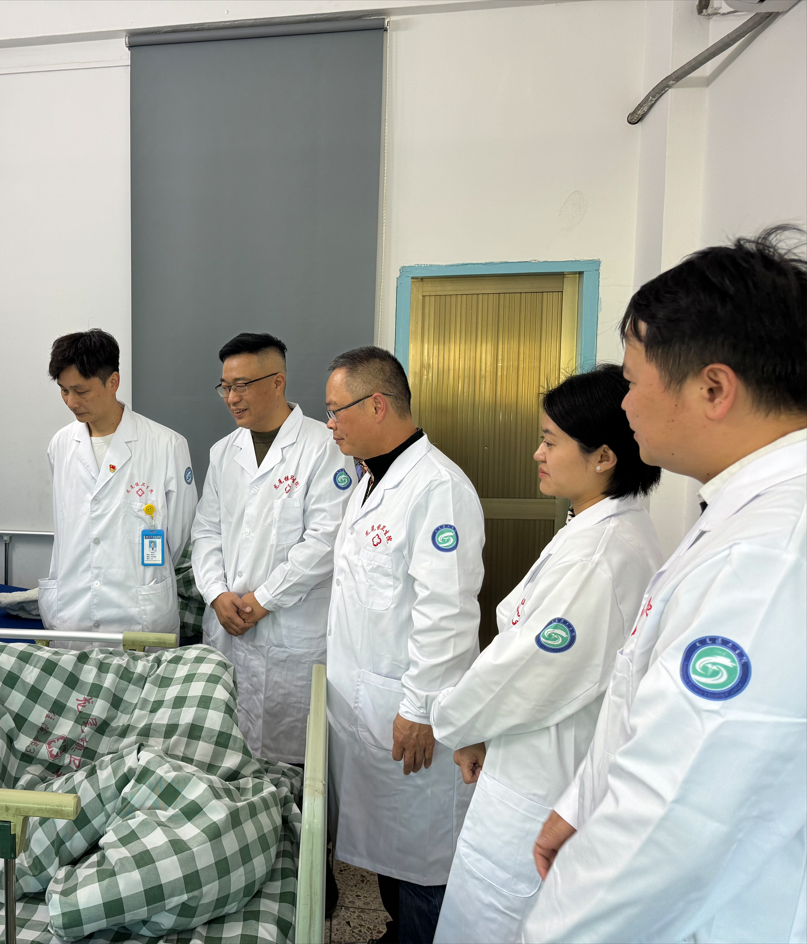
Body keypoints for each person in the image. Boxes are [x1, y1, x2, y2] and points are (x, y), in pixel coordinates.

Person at [525, 228, 807, 942]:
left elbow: (673, 817)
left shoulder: (771, 555)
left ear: (713, 388)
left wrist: (549, 930)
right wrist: (582, 804)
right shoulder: (741, 515)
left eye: (631, 380)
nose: (623, 404)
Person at [428, 365, 663, 943]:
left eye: (550, 441)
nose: (537, 453)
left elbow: (525, 671)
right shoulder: (596, 528)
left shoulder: (599, 555)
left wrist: (455, 722)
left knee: (499, 921)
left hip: (543, 779)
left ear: (603, 457)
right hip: (532, 756)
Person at [323, 346, 485, 944]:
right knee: (388, 848)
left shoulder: (438, 488)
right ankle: (397, 931)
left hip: (410, 708)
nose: (330, 424)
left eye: (336, 410)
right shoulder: (370, 481)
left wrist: (419, 709)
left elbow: (447, 614)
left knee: (423, 858)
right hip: (367, 701)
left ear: (377, 405)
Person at [191, 332, 351, 762]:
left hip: (290, 632)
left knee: (296, 764)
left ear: (277, 382)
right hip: (228, 624)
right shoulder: (224, 452)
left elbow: (325, 541)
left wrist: (263, 600)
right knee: (227, 754)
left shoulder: (325, 447)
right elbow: (206, 531)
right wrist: (216, 593)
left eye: (242, 385)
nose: (231, 398)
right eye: (225, 387)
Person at [40, 328, 197, 643]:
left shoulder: (166, 445)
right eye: (64, 391)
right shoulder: (61, 444)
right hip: (73, 608)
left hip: (139, 612)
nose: (71, 402)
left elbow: (180, 536)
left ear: (113, 382)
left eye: (81, 391)